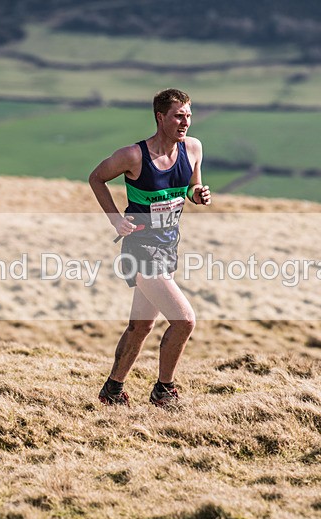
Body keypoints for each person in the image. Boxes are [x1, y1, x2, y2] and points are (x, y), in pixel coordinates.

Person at [88, 88, 211, 408]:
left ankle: (112, 391)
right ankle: (164, 390)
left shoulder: (193, 148)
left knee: (141, 325)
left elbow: (191, 186)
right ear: (160, 117)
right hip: (140, 250)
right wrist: (116, 220)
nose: (185, 122)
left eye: (188, 115)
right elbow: (96, 178)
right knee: (184, 320)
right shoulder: (134, 156)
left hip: (169, 247)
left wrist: (198, 195)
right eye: (177, 116)